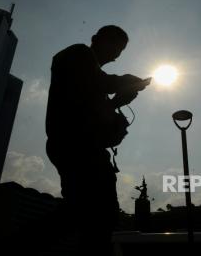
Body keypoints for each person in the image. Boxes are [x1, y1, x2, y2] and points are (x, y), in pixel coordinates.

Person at [45, 25, 149, 255]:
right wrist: (125, 81)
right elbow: (97, 82)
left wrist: (117, 103)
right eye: (114, 45)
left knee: (84, 213)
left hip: (83, 146)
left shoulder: (94, 79)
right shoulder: (77, 54)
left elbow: (95, 111)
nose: (116, 53)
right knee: (95, 213)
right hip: (75, 145)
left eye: (121, 50)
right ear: (96, 40)